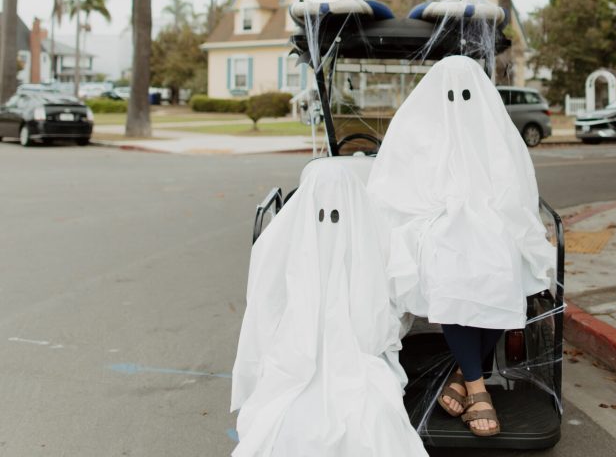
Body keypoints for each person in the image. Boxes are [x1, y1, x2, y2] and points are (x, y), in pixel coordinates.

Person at [366, 55, 555, 437]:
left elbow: (513, 188)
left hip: (489, 223)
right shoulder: (418, 128)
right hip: (430, 223)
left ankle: (462, 375)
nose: (457, 104)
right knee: (449, 264)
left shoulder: (492, 131)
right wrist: (443, 213)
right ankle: (476, 384)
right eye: (449, 95)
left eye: (466, 94)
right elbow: (396, 188)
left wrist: (493, 218)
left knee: (505, 263)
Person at [231, 159, 428, 457]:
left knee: (365, 415)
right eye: (321, 214)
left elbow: (401, 292)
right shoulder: (286, 244)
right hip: (299, 356)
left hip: (357, 351)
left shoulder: (375, 236)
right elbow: (267, 305)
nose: (329, 224)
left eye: (337, 215)